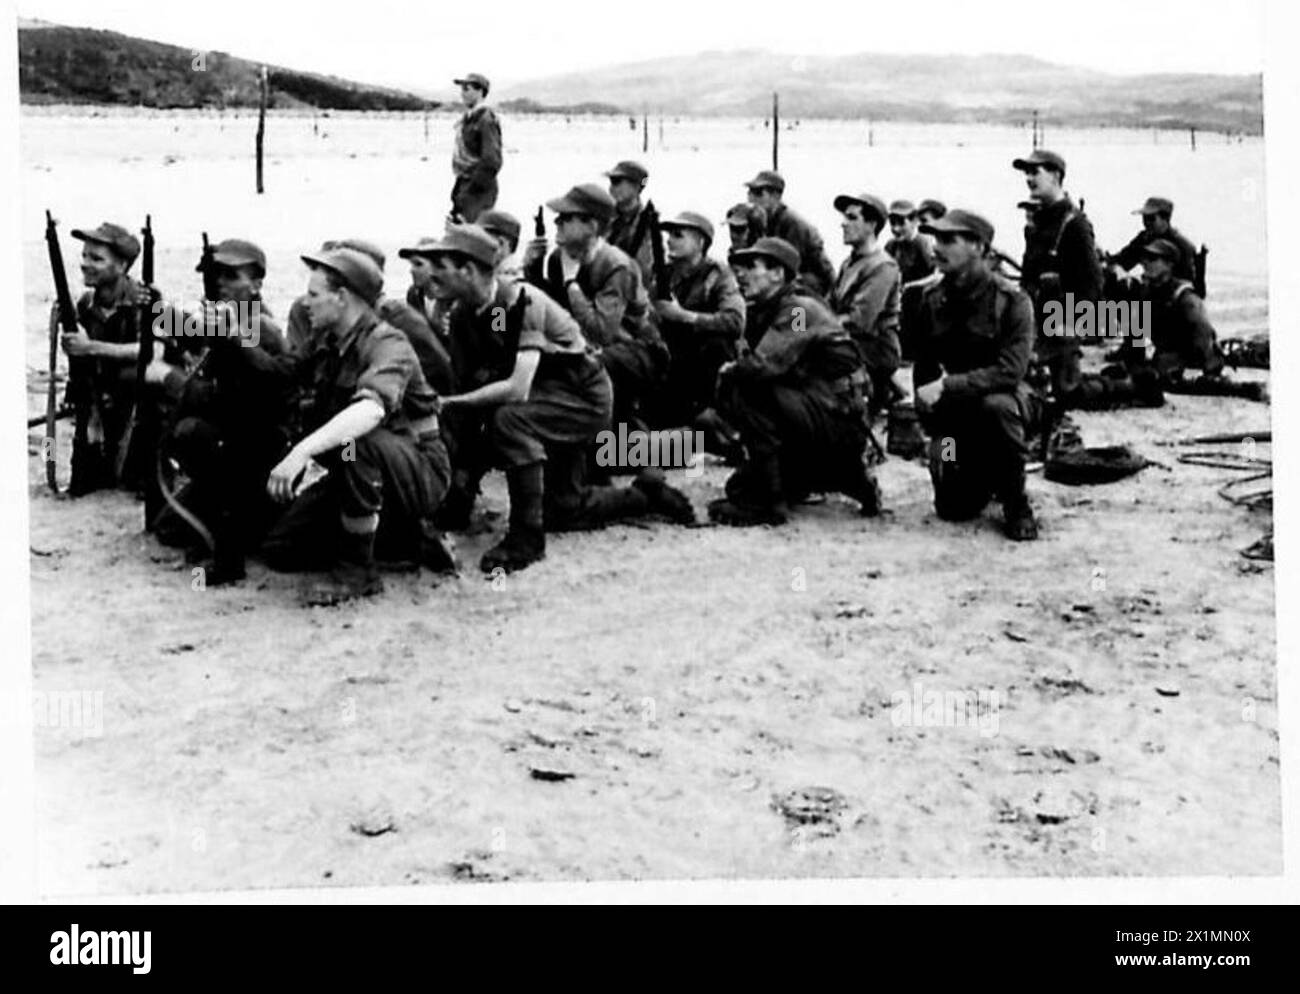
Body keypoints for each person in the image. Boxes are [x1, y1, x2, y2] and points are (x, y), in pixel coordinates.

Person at [425, 226, 694, 573]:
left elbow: (516, 388)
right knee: (565, 509)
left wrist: (454, 402)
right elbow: (469, 385)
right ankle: (645, 495)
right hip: (545, 399)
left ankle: (526, 539)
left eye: (440, 266)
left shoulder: (521, 302)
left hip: (581, 399)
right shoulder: (467, 314)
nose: (431, 275)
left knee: (508, 419)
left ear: (470, 270)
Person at [261, 248, 453, 603]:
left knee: (358, 440)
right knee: (279, 549)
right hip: (358, 472)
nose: (305, 303)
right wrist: (230, 335)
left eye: (314, 295)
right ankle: (399, 540)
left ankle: (358, 573)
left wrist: (301, 452)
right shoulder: (327, 339)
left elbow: (371, 411)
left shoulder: (387, 342)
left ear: (343, 298)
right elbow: (280, 375)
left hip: (418, 470)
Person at [708, 237, 881, 526]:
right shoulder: (772, 306)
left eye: (753, 266)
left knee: (745, 389)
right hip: (828, 413)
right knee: (739, 488)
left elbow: (764, 365)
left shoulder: (799, 310)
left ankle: (770, 506)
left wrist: (727, 373)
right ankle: (846, 477)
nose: (741, 273)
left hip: (838, 419)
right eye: (740, 267)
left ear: (778, 273)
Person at [154, 238, 296, 583]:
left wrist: (172, 379)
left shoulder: (258, 327)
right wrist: (155, 307)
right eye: (217, 275)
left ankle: (232, 557)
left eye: (232, 276)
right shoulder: (231, 320)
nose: (221, 283)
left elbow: (241, 395)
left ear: (257, 284)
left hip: (255, 454)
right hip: (232, 447)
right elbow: (181, 329)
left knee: (194, 435)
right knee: (169, 528)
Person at [912, 210, 1039, 541]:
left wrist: (948, 385)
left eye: (948, 240)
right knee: (952, 507)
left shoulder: (1012, 301)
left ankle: (1016, 501)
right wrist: (926, 412)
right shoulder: (932, 299)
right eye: (936, 239)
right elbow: (924, 366)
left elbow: (1010, 371)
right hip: (955, 411)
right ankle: (979, 475)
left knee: (996, 407)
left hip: (1009, 401)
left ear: (979, 247)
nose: (936, 248)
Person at [522, 183, 668, 434]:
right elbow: (555, 311)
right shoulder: (560, 258)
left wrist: (572, 284)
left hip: (639, 351)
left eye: (567, 218)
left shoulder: (616, 265)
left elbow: (603, 330)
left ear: (592, 226)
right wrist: (533, 270)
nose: (558, 223)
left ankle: (653, 449)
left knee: (590, 366)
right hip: (596, 347)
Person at [288, 238, 455, 397]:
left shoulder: (394, 326)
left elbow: (441, 374)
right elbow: (289, 367)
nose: (307, 302)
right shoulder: (323, 326)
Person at [55, 221, 148, 495]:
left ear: (121, 266)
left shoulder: (148, 300)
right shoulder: (85, 304)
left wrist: (90, 347)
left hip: (137, 407)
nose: (85, 264)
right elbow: (79, 359)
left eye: (96, 258)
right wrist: (69, 337)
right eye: (84, 255)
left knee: (134, 481)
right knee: (80, 480)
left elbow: (151, 351)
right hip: (96, 407)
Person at [1013, 149, 1103, 400]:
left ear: (1055, 175)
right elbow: (1027, 279)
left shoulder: (1074, 223)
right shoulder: (1038, 222)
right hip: (1036, 324)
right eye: (1026, 173)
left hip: (1062, 325)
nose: (1029, 178)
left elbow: (1093, 284)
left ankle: (1133, 386)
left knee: (1067, 393)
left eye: (1035, 172)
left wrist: (1074, 325)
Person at [649, 210, 746, 428]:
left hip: (703, 361)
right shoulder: (664, 273)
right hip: (670, 355)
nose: (669, 241)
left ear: (700, 242)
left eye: (678, 235)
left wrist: (683, 316)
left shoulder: (718, 274)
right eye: (669, 235)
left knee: (716, 343)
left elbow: (734, 322)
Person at [829, 193, 902, 414]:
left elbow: (860, 321)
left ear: (871, 225)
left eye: (852, 218)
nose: (843, 223)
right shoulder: (848, 264)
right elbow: (827, 305)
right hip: (849, 343)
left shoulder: (883, 267)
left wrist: (814, 329)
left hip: (875, 349)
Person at [743, 170, 836, 296]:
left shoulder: (792, 223)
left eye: (759, 193)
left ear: (776, 196)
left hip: (810, 286)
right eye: (750, 192)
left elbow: (789, 267)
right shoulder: (760, 221)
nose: (752, 198)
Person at [450, 72, 502, 223]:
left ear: (480, 91)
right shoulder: (469, 119)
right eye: (462, 89)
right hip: (465, 183)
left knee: (472, 237)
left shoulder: (485, 119)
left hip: (478, 189)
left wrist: (472, 190)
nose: (463, 93)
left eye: (467, 88)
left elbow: (491, 161)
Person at [1109, 197, 1199, 285]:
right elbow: (1124, 259)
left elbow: (1190, 285)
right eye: (1144, 218)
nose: (1147, 223)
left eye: (1151, 219)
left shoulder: (1183, 247)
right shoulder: (1144, 238)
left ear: (1165, 219)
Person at [604, 160, 655, 286]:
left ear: (636, 187)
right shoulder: (604, 215)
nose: (611, 188)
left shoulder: (647, 224)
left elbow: (644, 271)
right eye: (611, 182)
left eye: (617, 182)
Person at [884, 199, 936, 284]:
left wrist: (912, 285)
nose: (896, 229)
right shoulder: (891, 245)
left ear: (914, 222)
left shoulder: (923, 243)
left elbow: (937, 276)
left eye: (901, 223)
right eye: (892, 223)